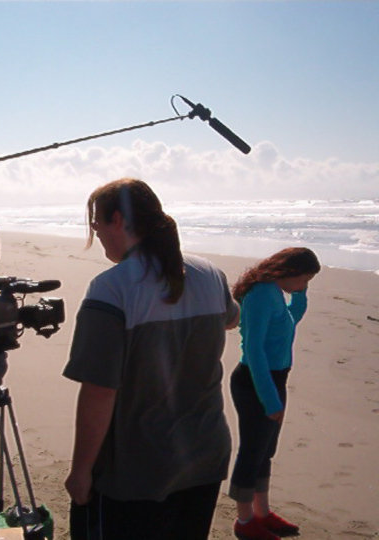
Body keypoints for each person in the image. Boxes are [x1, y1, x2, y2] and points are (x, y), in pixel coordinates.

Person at [63, 178, 240, 539]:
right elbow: (233, 318)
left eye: (96, 226)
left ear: (117, 220)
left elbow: (99, 391)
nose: (97, 235)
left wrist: (81, 470)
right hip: (204, 455)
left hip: (136, 470)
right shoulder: (209, 272)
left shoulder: (112, 288)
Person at [228, 247, 320, 540]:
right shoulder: (261, 295)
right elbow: (254, 351)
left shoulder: (275, 293)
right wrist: (269, 398)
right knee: (252, 451)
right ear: (289, 272)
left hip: (274, 379)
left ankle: (262, 513)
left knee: (265, 451)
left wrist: (301, 295)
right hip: (256, 381)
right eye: (304, 280)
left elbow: (289, 321)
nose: (305, 285)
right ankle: (244, 523)